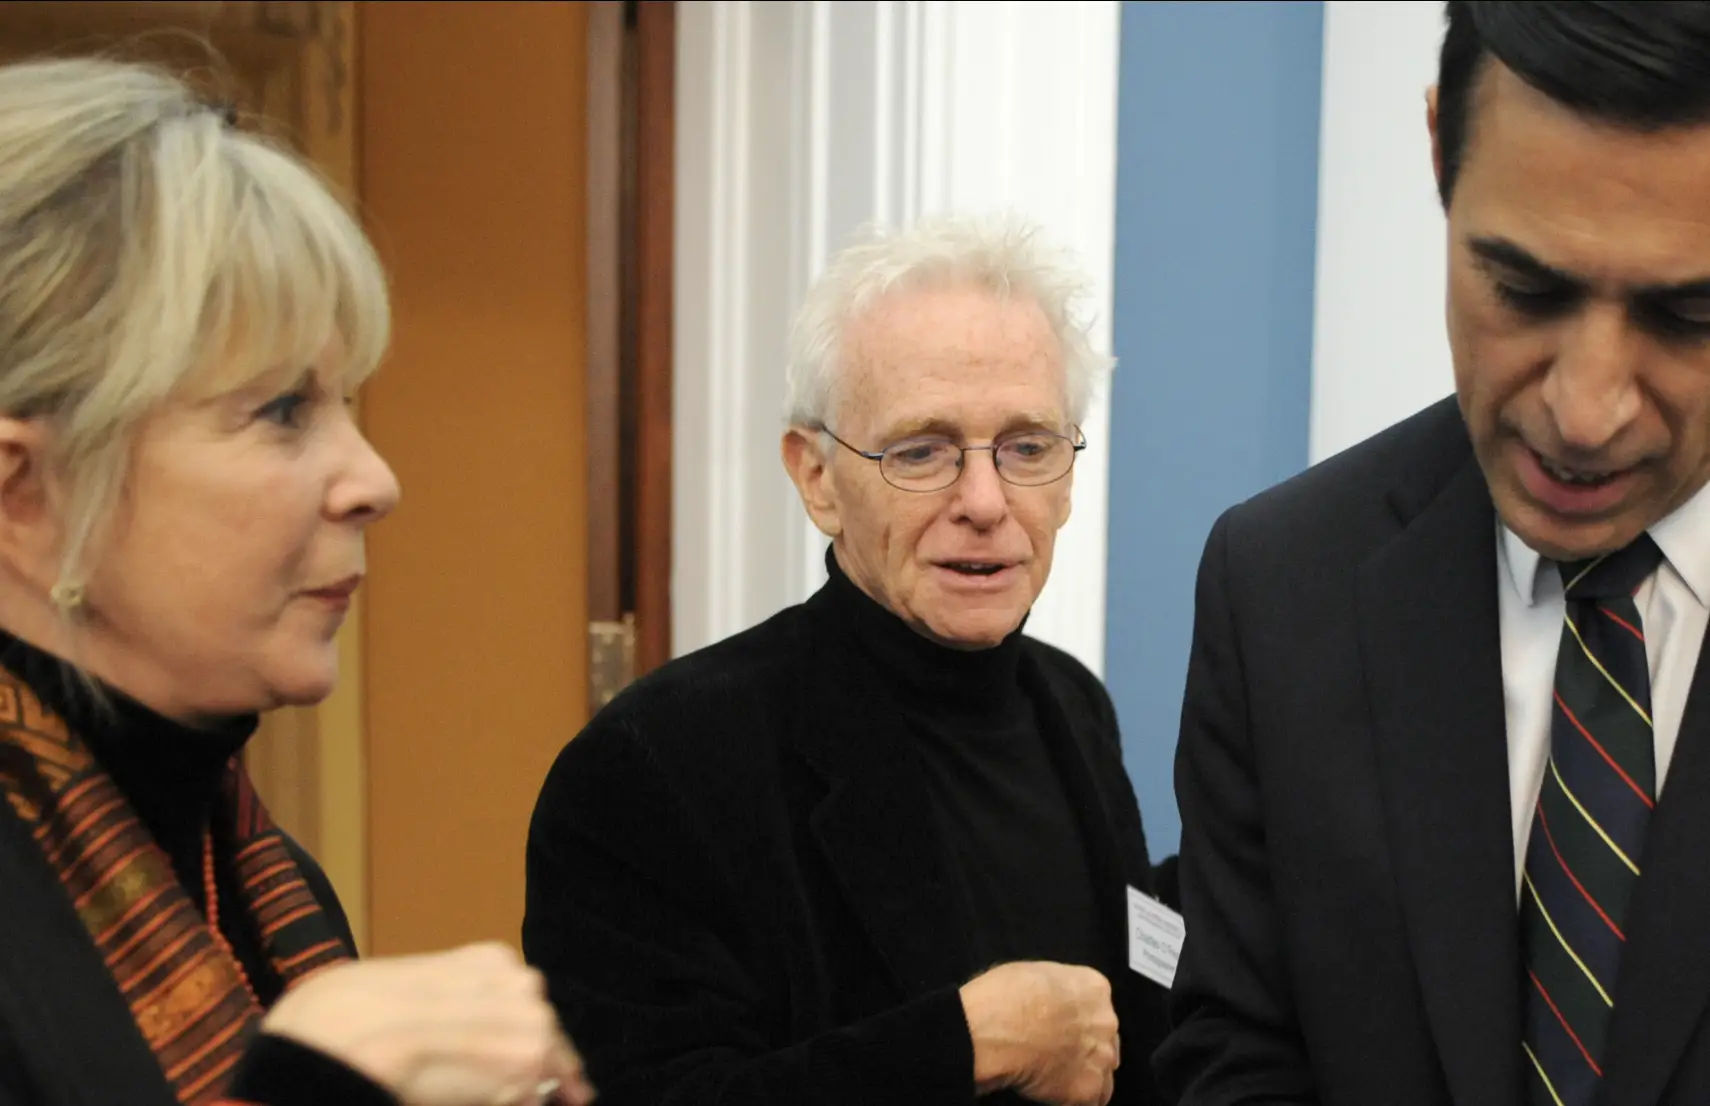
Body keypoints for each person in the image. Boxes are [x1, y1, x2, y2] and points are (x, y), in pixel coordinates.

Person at [0, 56, 595, 1106]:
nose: (375, 479)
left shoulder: (266, 880)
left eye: (348, 403)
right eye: (282, 410)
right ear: (21, 484)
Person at [1156, 3, 1710, 1105]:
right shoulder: (1279, 587)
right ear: (1438, 152)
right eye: (1525, 287)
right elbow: (1233, 1044)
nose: (1586, 410)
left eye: (1688, 314)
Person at [523, 214, 1173, 1106]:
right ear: (817, 478)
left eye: (1026, 446)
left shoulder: (1073, 703)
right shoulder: (655, 765)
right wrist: (963, 1043)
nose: (984, 501)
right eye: (922, 451)